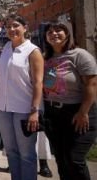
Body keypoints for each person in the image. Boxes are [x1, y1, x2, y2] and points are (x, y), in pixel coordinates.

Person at [42, 20, 97, 180]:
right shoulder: (46, 58)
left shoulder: (80, 55)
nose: (54, 34)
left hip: (77, 113)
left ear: (68, 34)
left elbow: (92, 84)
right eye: (50, 31)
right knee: (61, 159)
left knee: (75, 160)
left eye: (59, 30)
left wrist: (83, 112)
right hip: (53, 114)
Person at [0, 14, 44, 180]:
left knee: (26, 154)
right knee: (11, 152)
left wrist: (35, 111)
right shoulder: (5, 48)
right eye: (8, 26)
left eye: (15, 25)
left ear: (25, 27)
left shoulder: (33, 51)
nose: (12, 29)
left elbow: (38, 83)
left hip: (24, 109)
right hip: (3, 108)